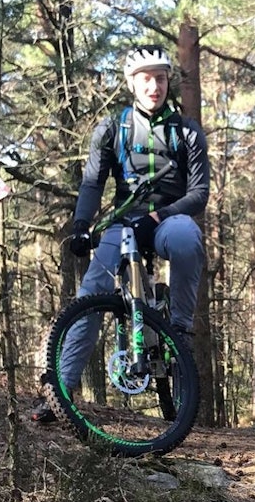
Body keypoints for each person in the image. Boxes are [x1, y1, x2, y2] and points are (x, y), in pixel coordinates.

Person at [33, 44, 211, 423]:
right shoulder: (114, 128)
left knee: (186, 239)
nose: (154, 86)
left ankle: (179, 333)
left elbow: (199, 194)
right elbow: (93, 182)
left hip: (168, 218)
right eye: (146, 79)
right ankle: (60, 391)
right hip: (122, 222)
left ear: (168, 83)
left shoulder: (186, 131)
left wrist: (161, 214)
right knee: (93, 291)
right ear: (133, 83)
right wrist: (81, 226)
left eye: (160, 78)